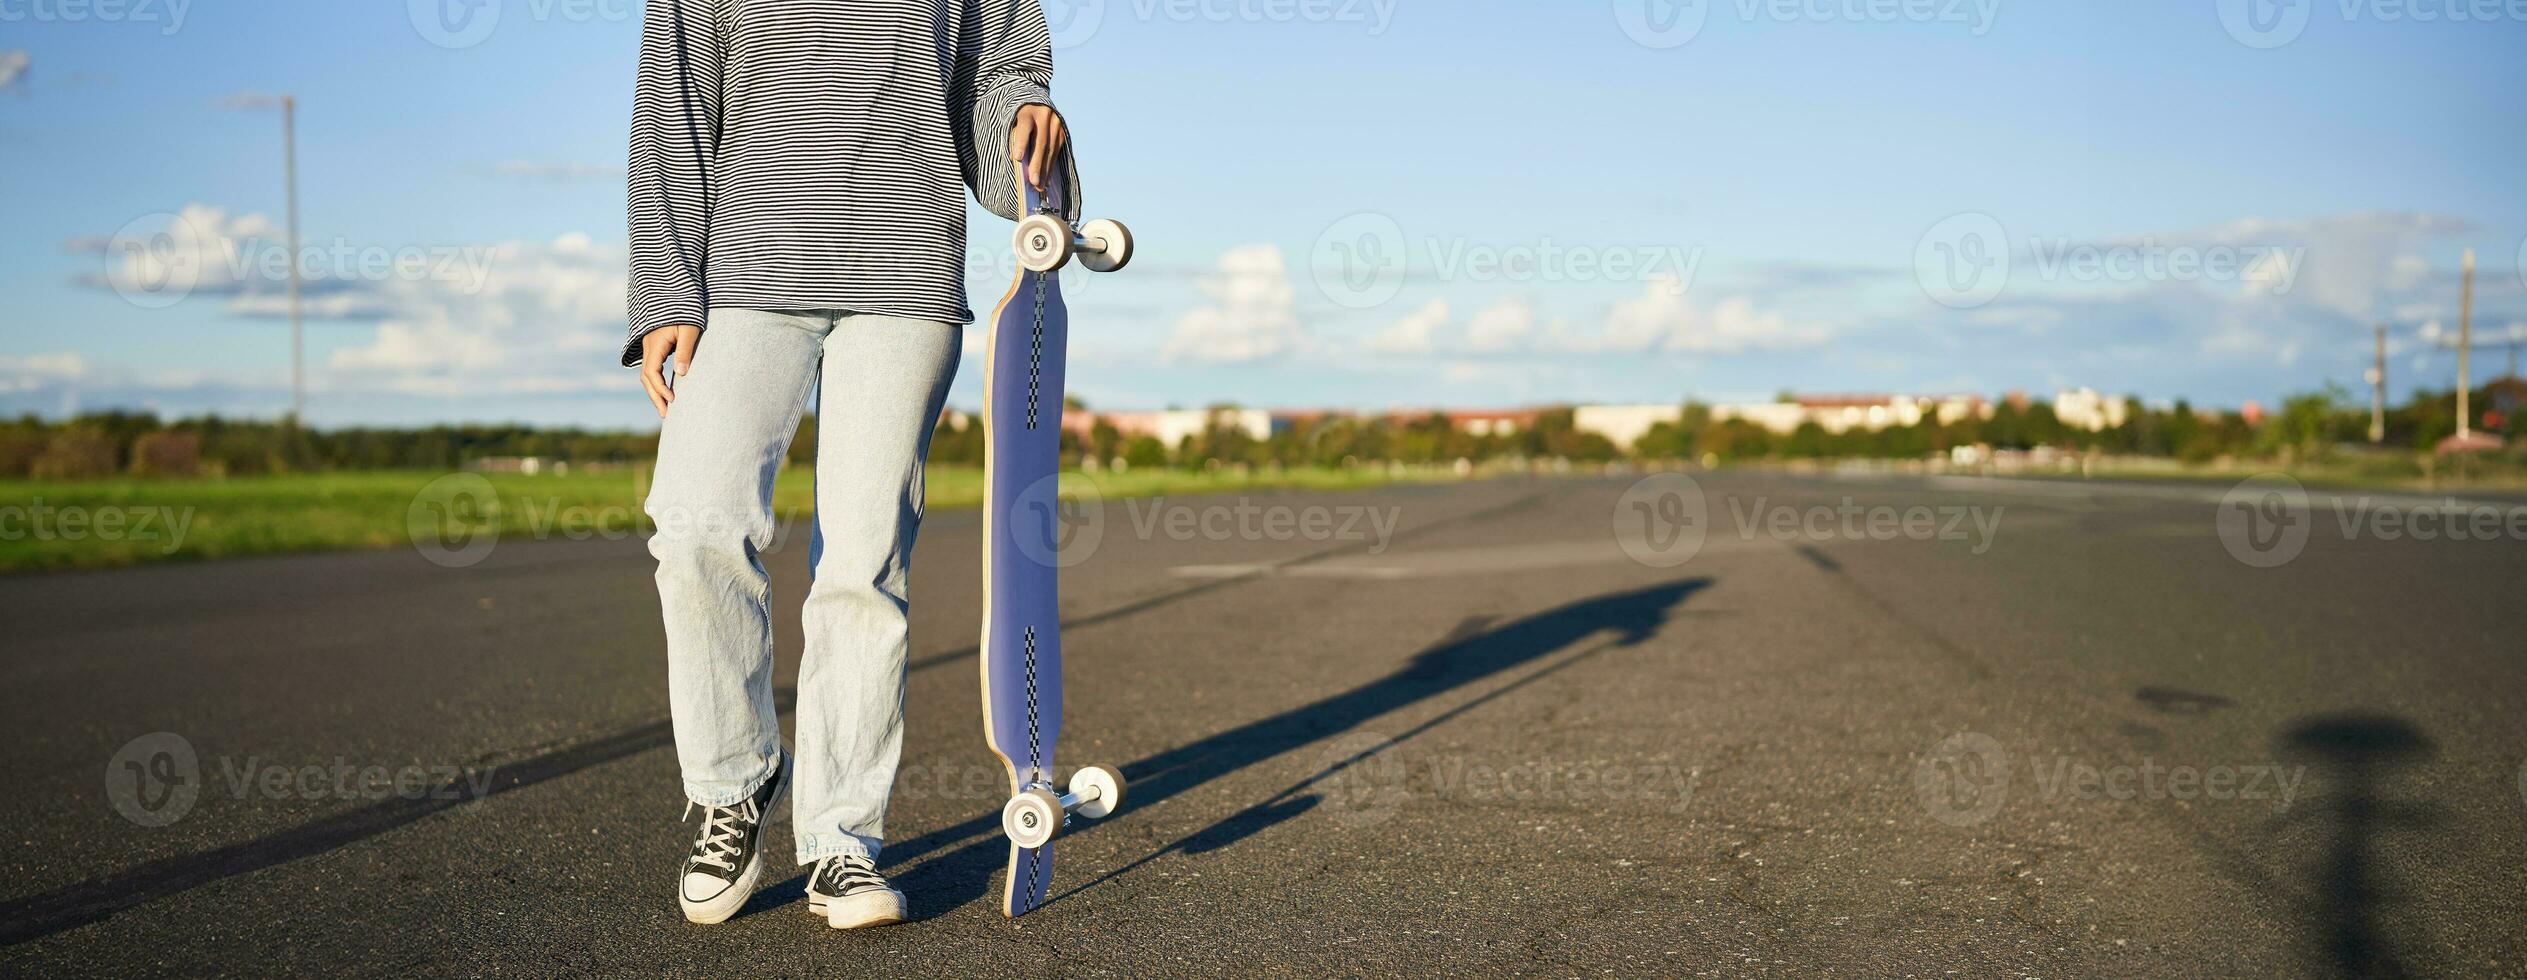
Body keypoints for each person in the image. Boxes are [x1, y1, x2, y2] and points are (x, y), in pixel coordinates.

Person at [625, 0, 1079, 930]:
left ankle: (841, 840)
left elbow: (994, 74)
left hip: (904, 276)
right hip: (747, 277)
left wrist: (1025, 115)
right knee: (695, 519)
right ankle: (731, 788)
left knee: (863, 562)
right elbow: (672, 108)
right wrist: (665, 291)